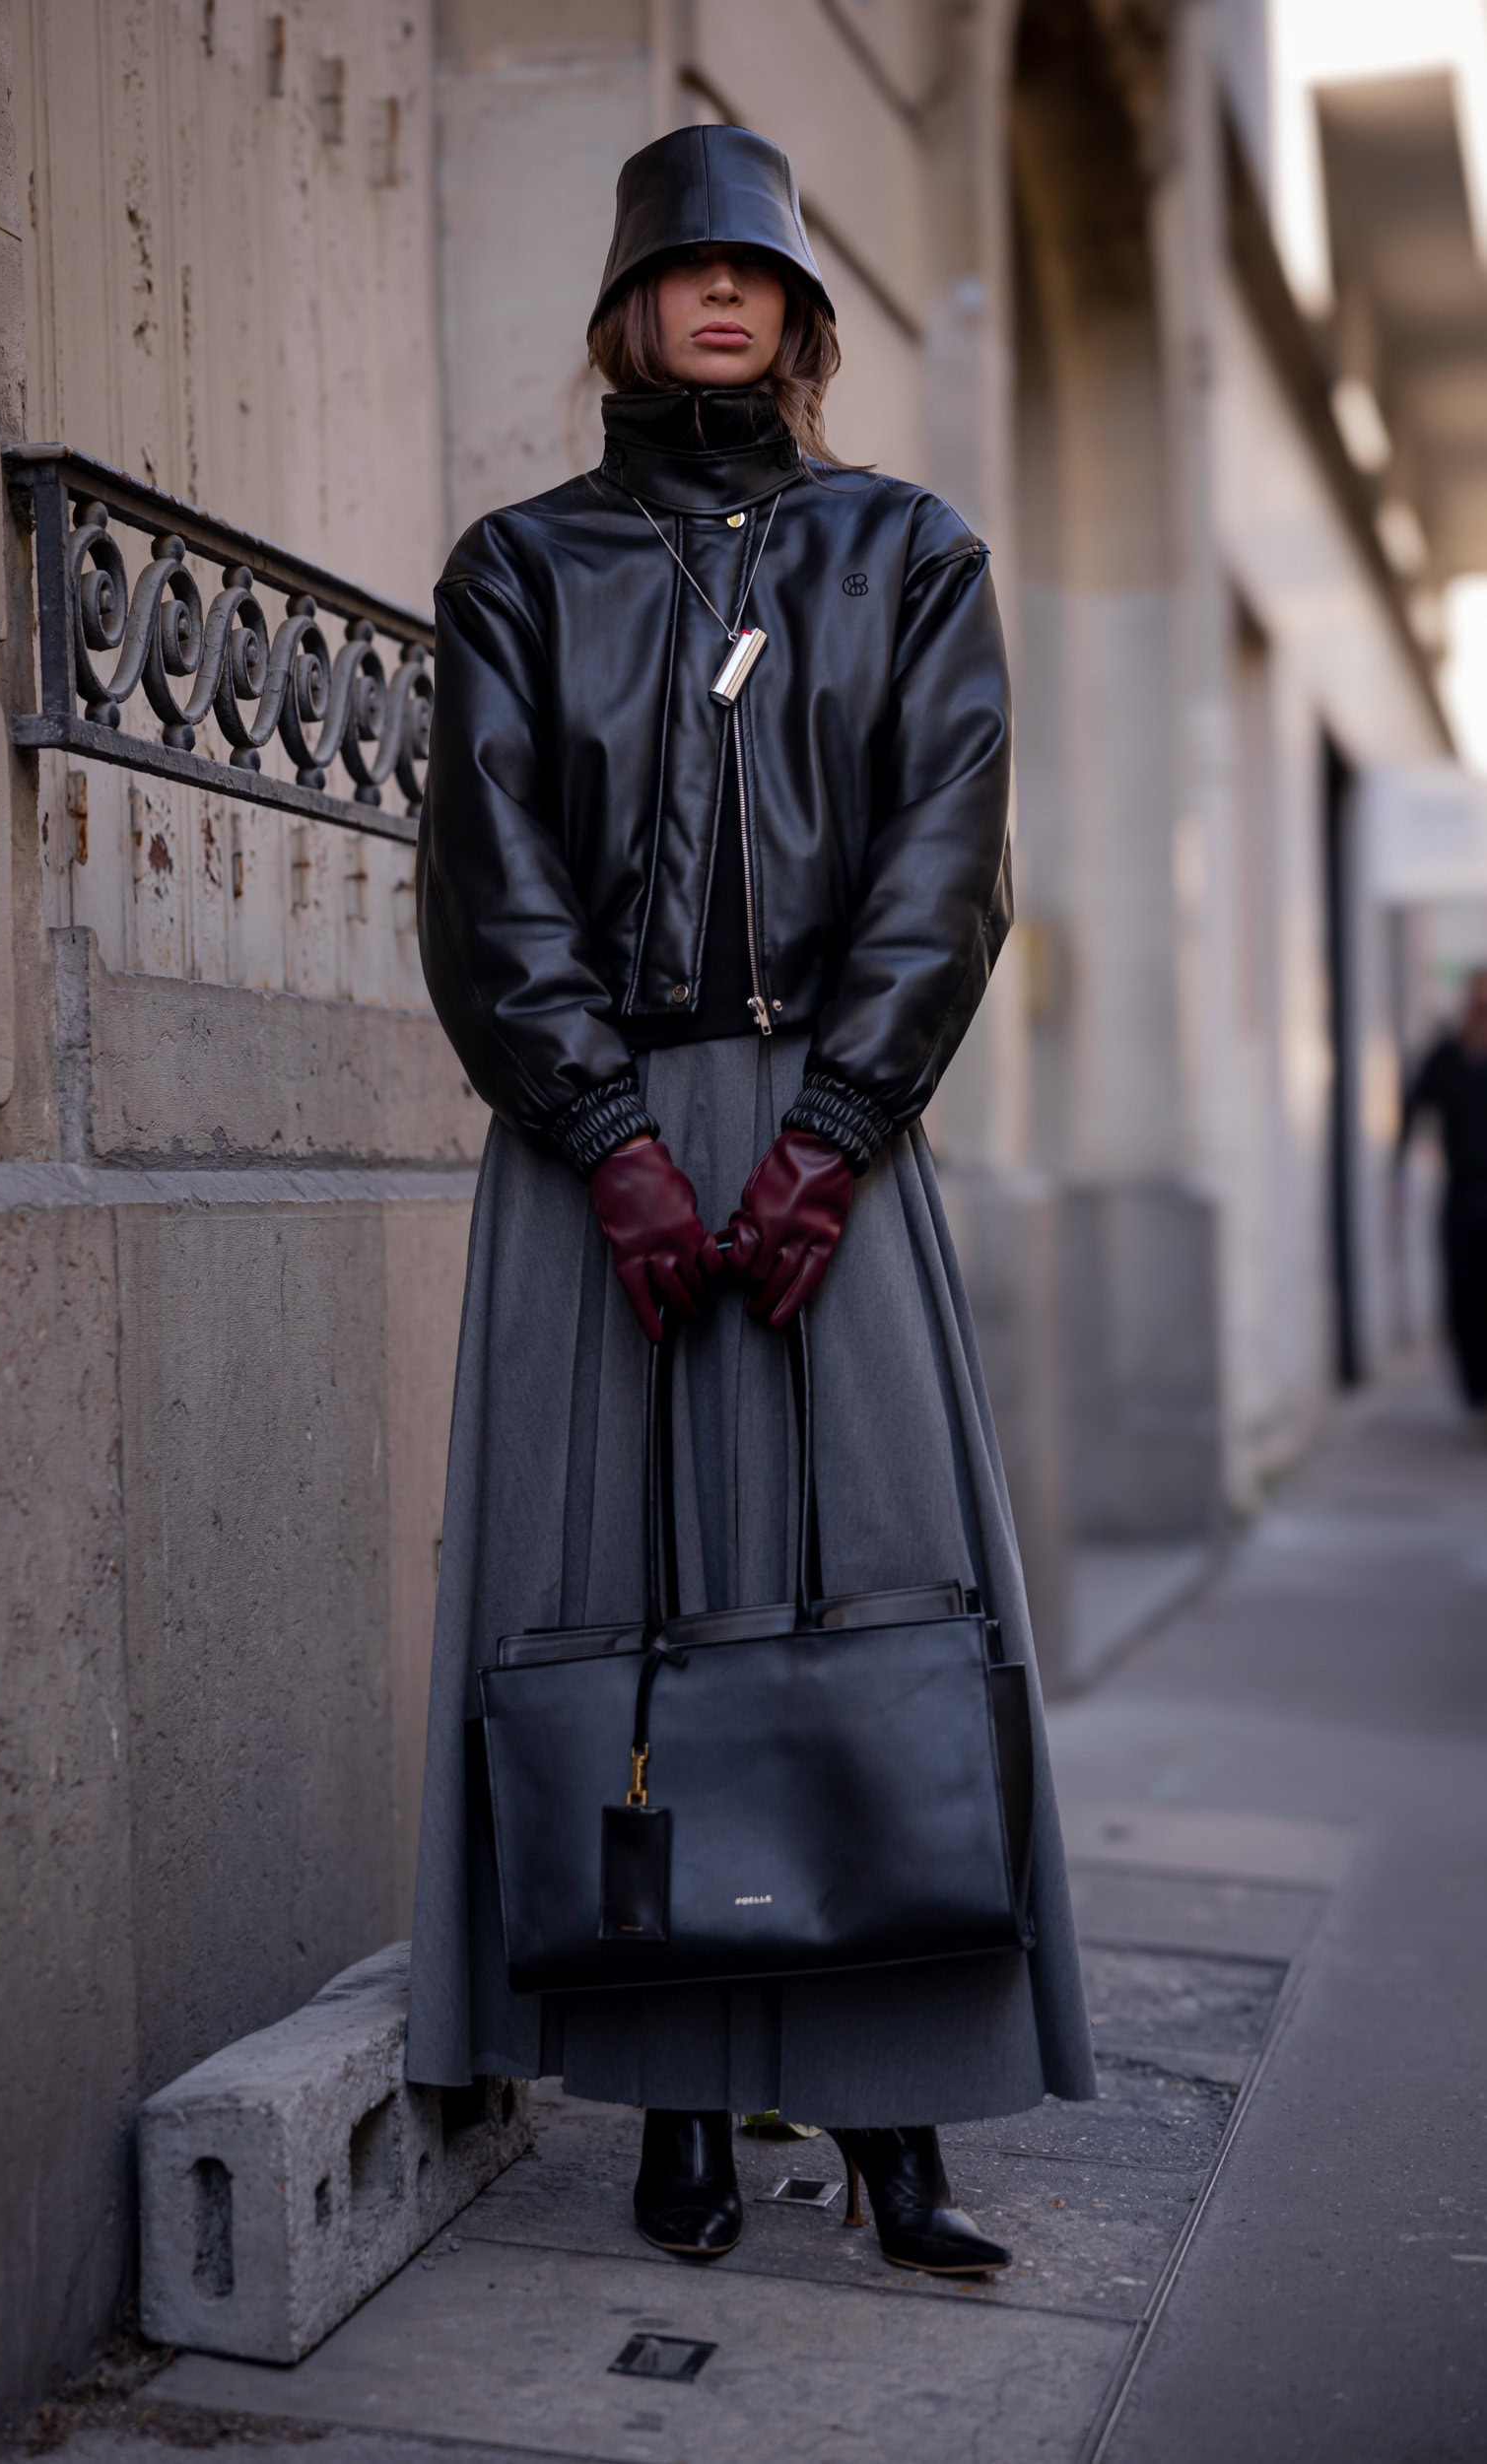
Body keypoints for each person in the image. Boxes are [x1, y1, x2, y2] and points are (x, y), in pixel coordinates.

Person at [407, 123, 1096, 2276]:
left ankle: (898, 2125)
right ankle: (673, 2106)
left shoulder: (906, 555)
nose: (723, 295)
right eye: (682, 266)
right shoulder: (517, 567)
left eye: (758, 272)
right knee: (614, 1623)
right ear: (625, 306)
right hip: (584, 1156)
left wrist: (822, 1143)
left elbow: (940, 867)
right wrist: (607, 1139)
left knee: (881, 1598)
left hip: (835, 1139)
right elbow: (488, 874)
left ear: (800, 316)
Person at [1401, 966, 1487, 1417]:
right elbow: (1413, 1108)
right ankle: (1475, 1392)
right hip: (1462, 1191)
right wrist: (1401, 1174)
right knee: (1464, 1294)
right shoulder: (1447, 1056)